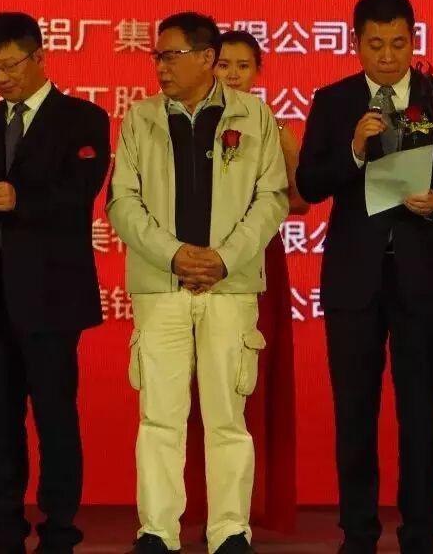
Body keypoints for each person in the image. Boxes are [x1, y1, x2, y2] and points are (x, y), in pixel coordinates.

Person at [295, 0, 433, 554]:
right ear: (356, 44)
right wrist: (355, 151)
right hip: (354, 280)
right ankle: (358, 532)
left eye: (398, 43)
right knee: (354, 412)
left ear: (414, 41)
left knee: (421, 412)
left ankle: (420, 532)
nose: (387, 55)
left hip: (421, 276)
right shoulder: (334, 101)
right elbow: (308, 184)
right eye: (376, 44)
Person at [0, 12, 112, 554]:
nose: (1, 77)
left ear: (39, 57)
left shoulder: (83, 118)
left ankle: (59, 529)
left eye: (10, 65)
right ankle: (5, 526)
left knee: (55, 416)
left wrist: (21, 199)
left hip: (52, 295)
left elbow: (80, 193)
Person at [108, 12, 289, 554]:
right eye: (158, 57)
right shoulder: (140, 118)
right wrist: (175, 255)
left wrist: (223, 260)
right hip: (161, 285)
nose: (161, 66)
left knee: (226, 417)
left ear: (206, 58)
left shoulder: (254, 116)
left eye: (171, 55)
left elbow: (271, 198)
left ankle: (230, 530)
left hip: (229, 288)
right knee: (159, 416)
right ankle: (156, 531)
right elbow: (122, 201)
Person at [170, 29, 308, 533]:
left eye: (243, 66)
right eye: (224, 65)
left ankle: (249, 506)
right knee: (186, 382)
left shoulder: (273, 126)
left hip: (252, 258)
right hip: (191, 257)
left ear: (257, 72)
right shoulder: (183, 120)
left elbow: (298, 201)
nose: (232, 74)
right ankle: (190, 504)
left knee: (245, 380)